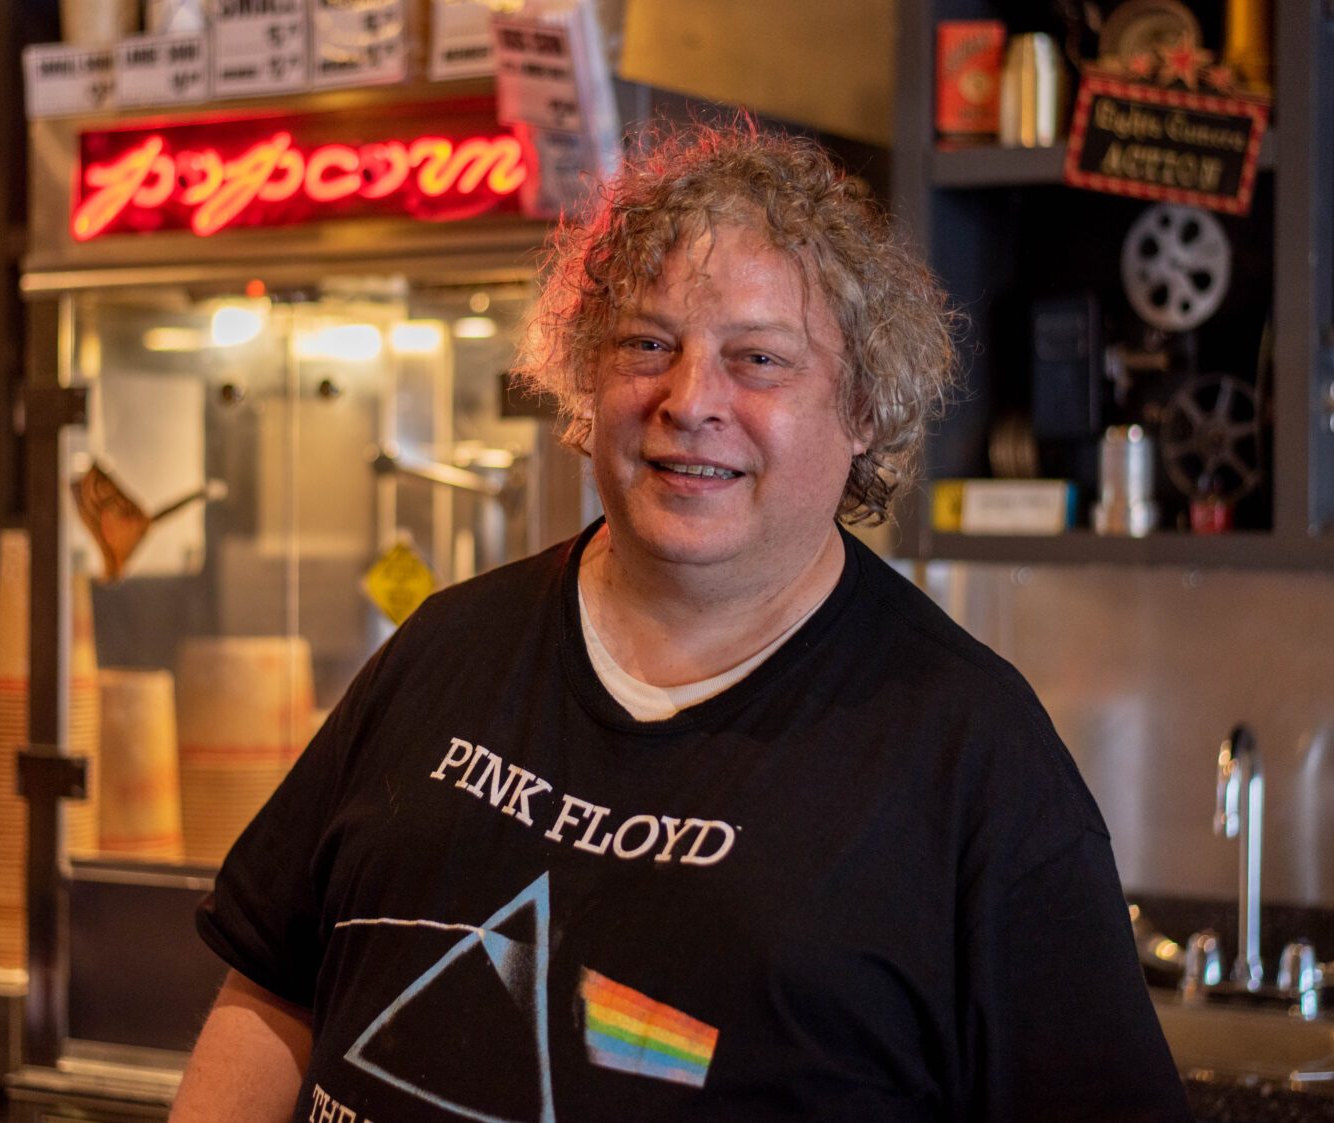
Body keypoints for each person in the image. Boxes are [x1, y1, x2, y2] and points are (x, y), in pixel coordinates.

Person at [171, 123, 1192, 1122]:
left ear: (867, 407)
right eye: (647, 343)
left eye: (758, 360)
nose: (688, 398)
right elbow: (271, 992)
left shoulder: (970, 753)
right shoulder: (444, 645)